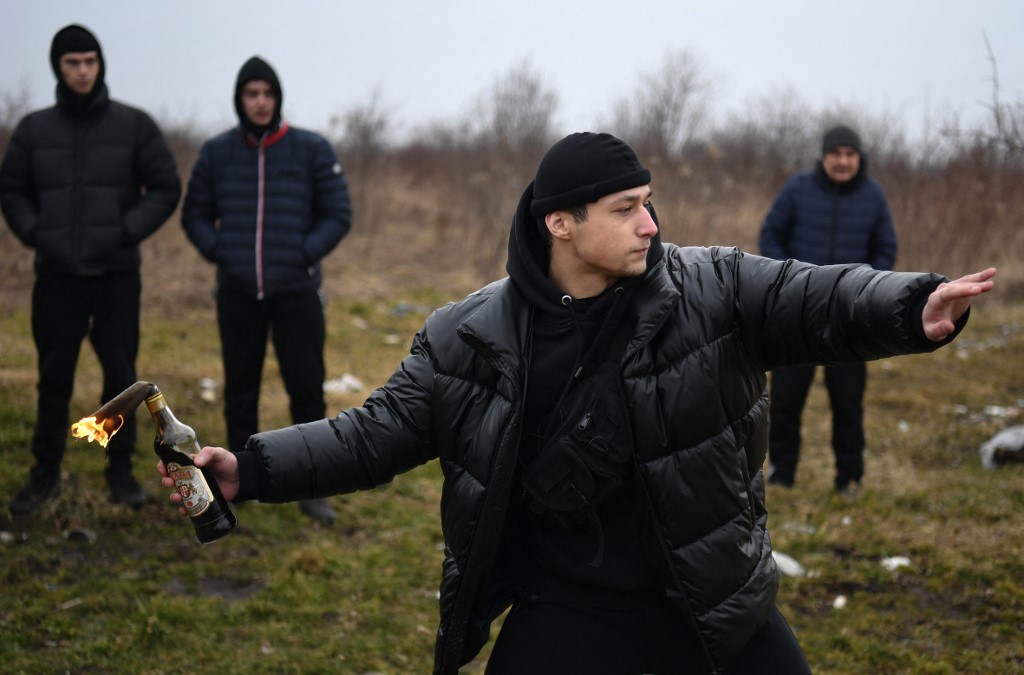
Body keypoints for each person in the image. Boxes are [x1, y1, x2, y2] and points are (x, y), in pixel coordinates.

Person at [160, 132, 995, 674]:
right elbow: (377, 432)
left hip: (711, 599)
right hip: (569, 612)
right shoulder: (468, 335)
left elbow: (813, 297)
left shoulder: (710, 286)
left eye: (649, 203)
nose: (650, 224)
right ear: (560, 223)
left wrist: (908, 306)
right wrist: (253, 467)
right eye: (626, 209)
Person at [1, 24, 182, 516]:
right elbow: (11, 189)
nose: (82, 71)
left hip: (116, 277)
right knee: (53, 378)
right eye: (71, 63)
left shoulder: (134, 125)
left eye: (89, 61)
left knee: (122, 381)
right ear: (58, 68)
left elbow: (166, 186)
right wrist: (35, 233)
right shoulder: (35, 130)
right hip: (56, 278)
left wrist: (126, 230)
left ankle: (120, 474)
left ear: (100, 64)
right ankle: (43, 476)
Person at [181, 56, 352, 524]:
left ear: (278, 98)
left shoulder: (311, 149)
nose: (260, 102)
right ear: (240, 99)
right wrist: (223, 253)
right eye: (251, 94)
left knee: (306, 391)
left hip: (297, 292)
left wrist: (303, 252)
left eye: (267, 94)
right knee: (240, 389)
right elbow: (193, 214)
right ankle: (238, 482)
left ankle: (312, 486)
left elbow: (338, 213)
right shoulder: (217, 153)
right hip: (237, 293)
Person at [759, 125, 899, 494]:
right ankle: (782, 474)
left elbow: (885, 248)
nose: (842, 161)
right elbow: (770, 234)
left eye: (849, 154)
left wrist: (866, 287)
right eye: (835, 153)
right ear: (823, 156)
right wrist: (786, 279)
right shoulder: (797, 189)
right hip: (796, 313)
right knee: (787, 401)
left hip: (849, 319)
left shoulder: (873, 195)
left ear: (858, 157)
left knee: (848, 404)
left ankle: (849, 478)